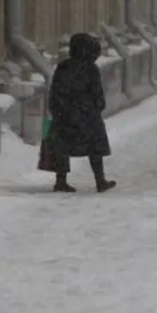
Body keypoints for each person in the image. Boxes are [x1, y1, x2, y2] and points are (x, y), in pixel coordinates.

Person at [48, 33, 116, 193]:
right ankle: (100, 180)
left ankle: (60, 181)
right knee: (94, 147)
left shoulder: (63, 67)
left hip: (64, 114)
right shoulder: (90, 69)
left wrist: (57, 110)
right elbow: (97, 94)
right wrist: (97, 107)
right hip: (87, 114)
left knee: (62, 147)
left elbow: (55, 90)